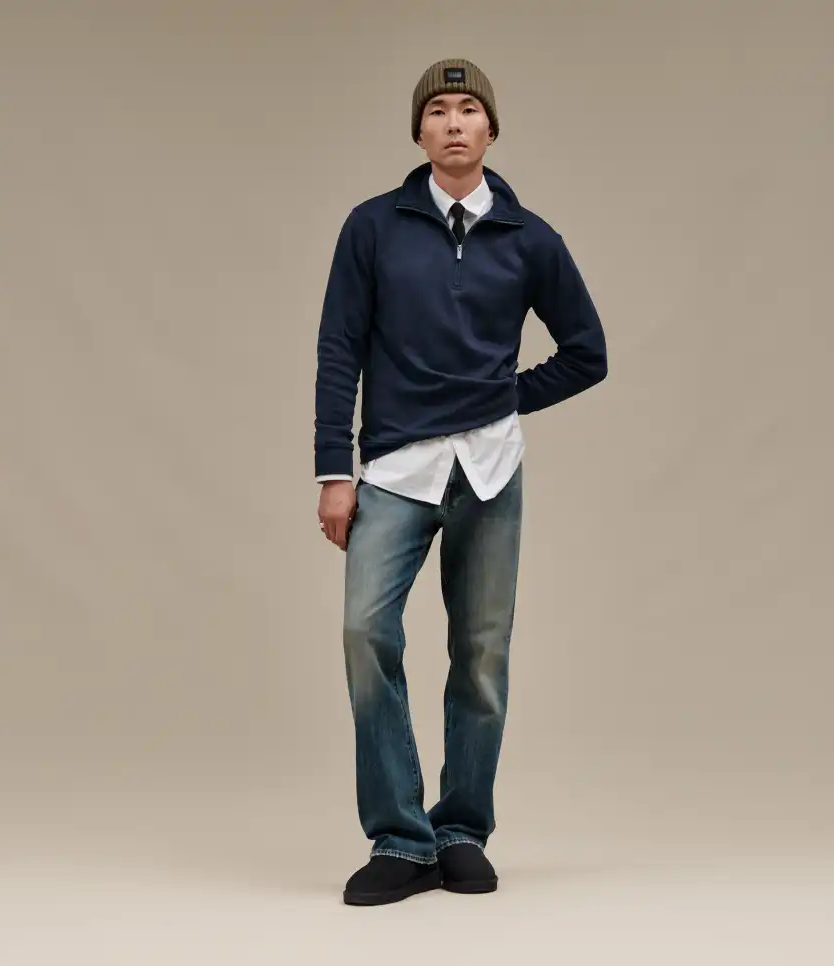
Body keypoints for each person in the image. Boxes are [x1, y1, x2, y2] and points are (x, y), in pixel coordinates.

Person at [314, 58, 608, 906]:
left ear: (490, 130)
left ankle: (460, 831)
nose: (453, 122)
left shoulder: (529, 237)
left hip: (489, 469)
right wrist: (335, 471)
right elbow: (339, 348)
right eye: (438, 110)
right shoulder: (373, 226)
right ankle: (399, 840)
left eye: (468, 109)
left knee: (480, 655)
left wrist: (504, 397)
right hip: (394, 470)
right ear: (418, 132)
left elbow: (587, 353)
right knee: (366, 634)